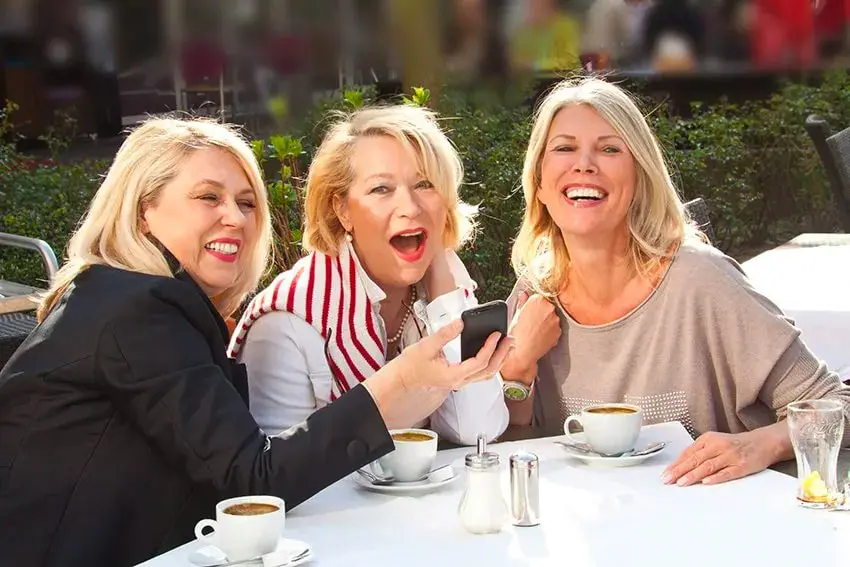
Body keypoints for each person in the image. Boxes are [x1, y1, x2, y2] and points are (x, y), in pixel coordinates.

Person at [0, 118, 512, 567]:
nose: (236, 217)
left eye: (247, 203)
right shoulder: (139, 312)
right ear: (142, 212)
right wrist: (394, 386)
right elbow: (252, 483)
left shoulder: (125, 301)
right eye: (208, 197)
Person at [500, 77, 850, 487]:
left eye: (610, 149)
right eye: (564, 148)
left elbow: (837, 405)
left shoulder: (699, 279)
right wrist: (518, 368)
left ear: (640, 177)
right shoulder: (532, 292)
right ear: (540, 183)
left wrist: (761, 444)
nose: (584, 164)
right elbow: (509, 453)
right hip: (593, 540)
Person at [229, 105, 509, 445]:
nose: (410, 207)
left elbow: (477, 430)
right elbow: (276, 477)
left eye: (424, 184)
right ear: (342, 210)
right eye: (381, 189)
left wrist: (445, 302)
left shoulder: (446, 290)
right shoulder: (287, 322)